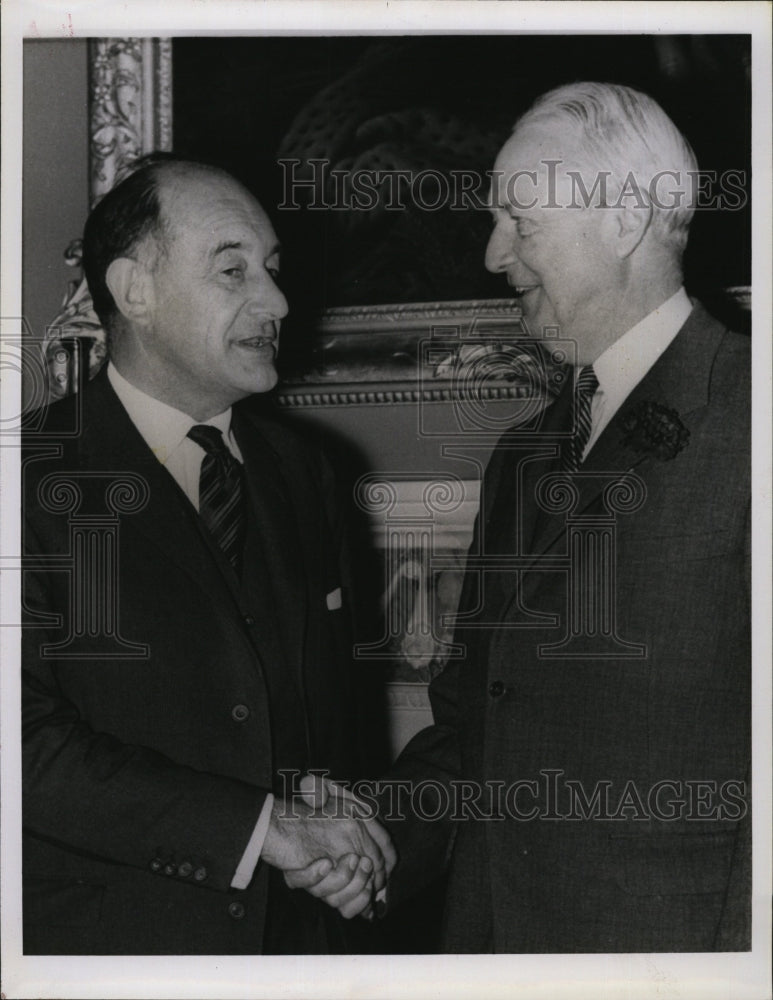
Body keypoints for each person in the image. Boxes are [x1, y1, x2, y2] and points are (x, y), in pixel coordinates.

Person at [289, 82, 751, 952]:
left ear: (620, 220)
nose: (495, 254)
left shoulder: (752, 416)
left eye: (519, 222)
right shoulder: (524, 454)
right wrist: (375, 834)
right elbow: (475, 722)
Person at [21, 156, 394, 955]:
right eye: (234, 272)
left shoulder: (307, 473)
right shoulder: (26, 481)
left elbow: (322, 720)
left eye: (273, 269)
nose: (278, 302)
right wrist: (262, 831)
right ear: (135, 292)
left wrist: (324, 810)